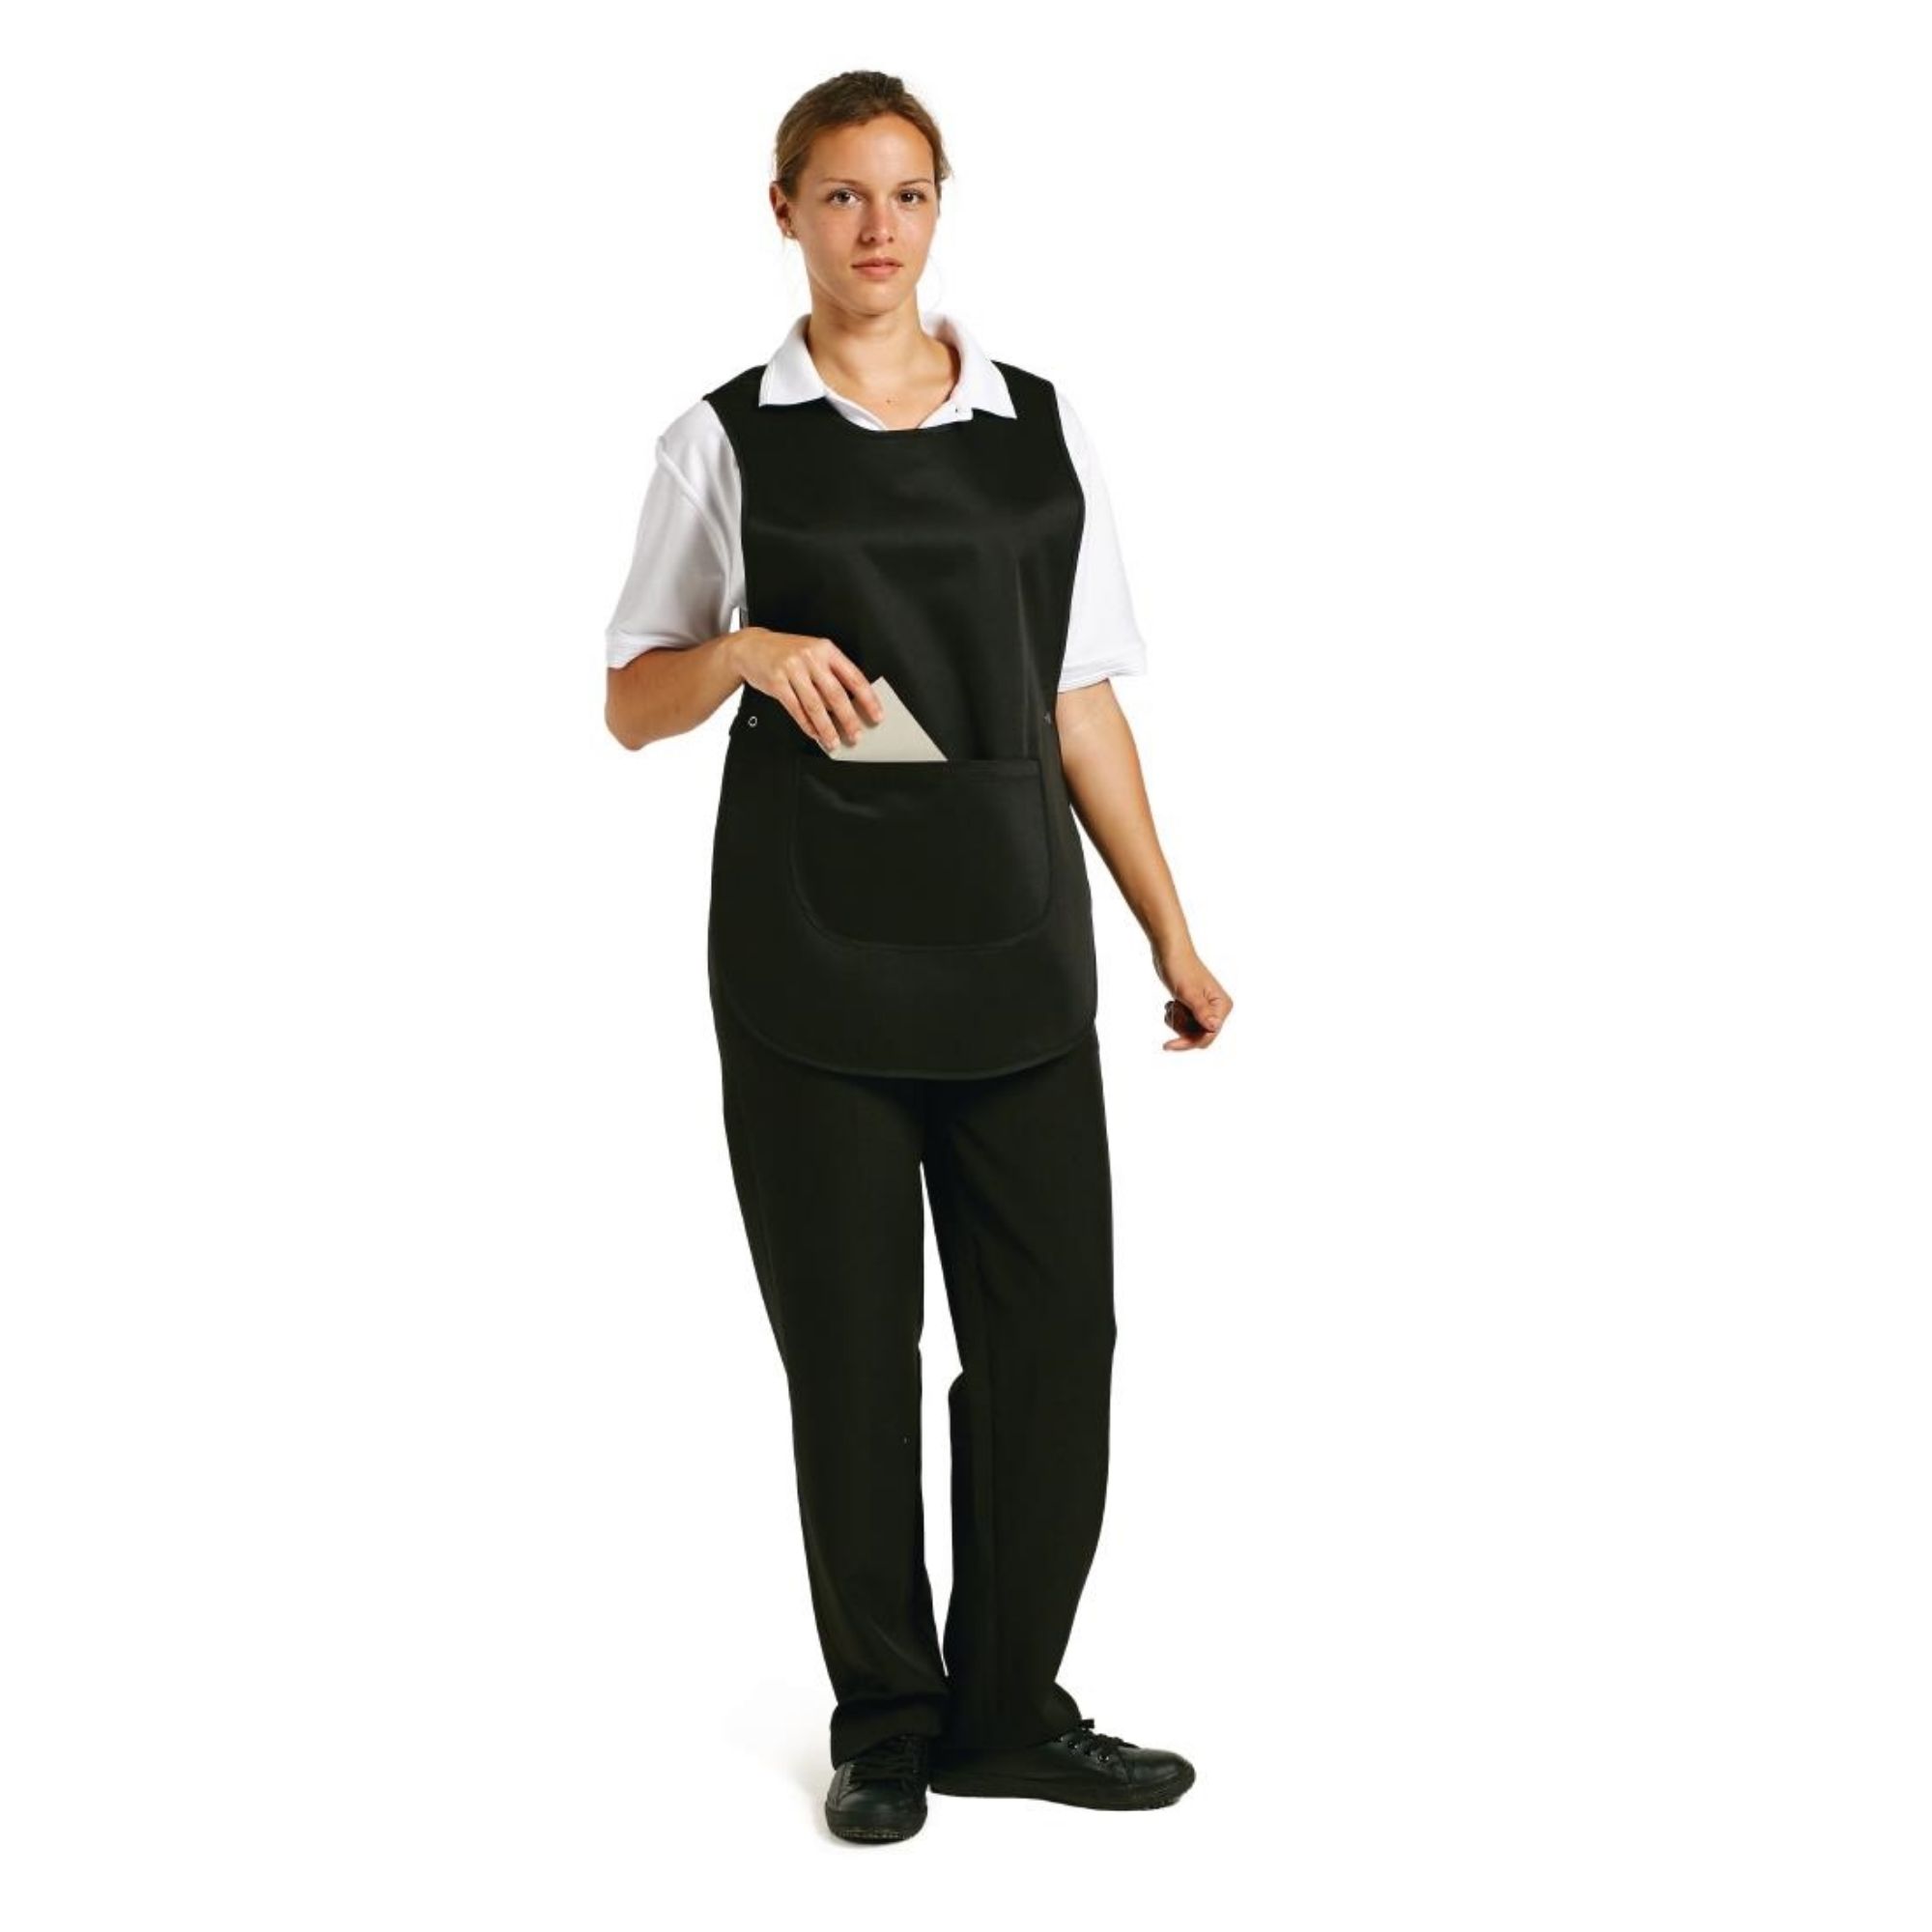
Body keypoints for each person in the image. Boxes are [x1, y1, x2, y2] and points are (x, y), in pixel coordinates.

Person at [603, 71, 1233, 1845]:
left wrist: (1173, 930)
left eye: (908, 194)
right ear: (785, 212)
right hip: (811, 961)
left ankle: (1010, 1708)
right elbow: (630, 699)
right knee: (854, 1359)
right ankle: (886, 1723)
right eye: (841, 196)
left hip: (1015, 942)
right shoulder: (726, 440)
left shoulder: (1037, 424)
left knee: (1055, 1344)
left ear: (941, 207)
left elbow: (1077, 698)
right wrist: (739, 655)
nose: (878, 228)